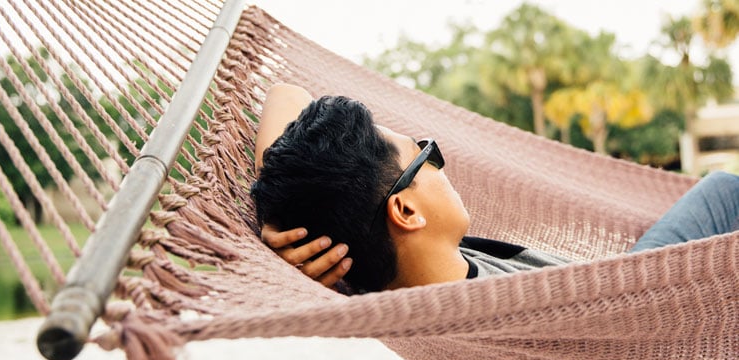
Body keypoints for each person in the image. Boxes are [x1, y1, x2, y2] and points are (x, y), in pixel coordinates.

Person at [251, 83, 739, 294]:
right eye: (427, 155)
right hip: (641, 304)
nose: (443, 167)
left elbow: (287, 94)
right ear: (405, 210)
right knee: (727, 193)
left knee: (722, 188)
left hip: (623, 281)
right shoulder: (493, 316)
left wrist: (284, 212)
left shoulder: (369, 277)